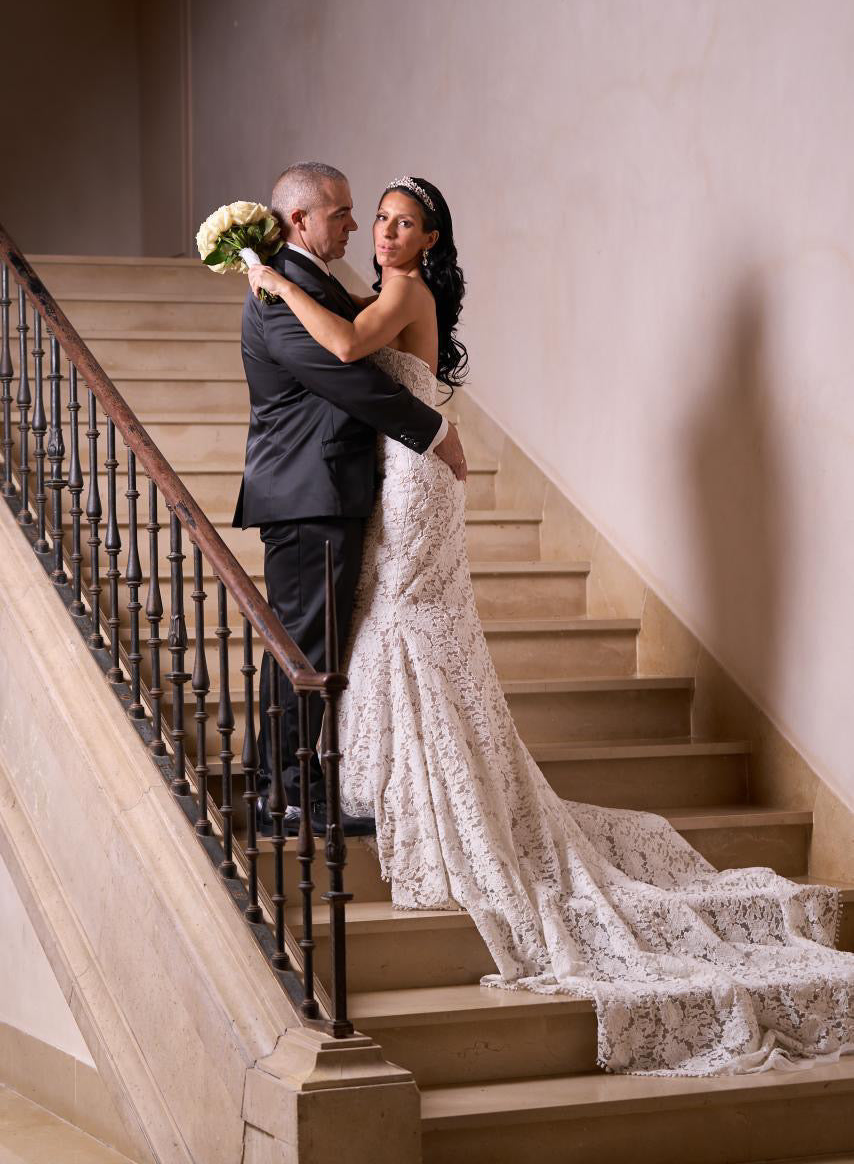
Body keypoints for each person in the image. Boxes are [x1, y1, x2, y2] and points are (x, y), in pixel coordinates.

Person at [248, 175, 854, 1077]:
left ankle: (400, 789)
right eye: (371, 217)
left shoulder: (392, 291)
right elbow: (338, 355)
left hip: (410, 476)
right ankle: (355, 781)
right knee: (377, 632)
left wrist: (271, 276)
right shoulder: (368, 285)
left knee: (400, 626)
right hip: (388, 471)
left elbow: (341, 347)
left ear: (430, 241)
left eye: (400, 223)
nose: (378, 231)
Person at [234, 162, 466, 837]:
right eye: (342, 213)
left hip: (328, 488)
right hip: (307, 493)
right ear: (301, 221)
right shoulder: (277, 292)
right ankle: (283, 796)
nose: (358, 226)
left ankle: (293, 784)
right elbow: (348, 378)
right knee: (305, 649)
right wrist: (435, 430)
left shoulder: (315, 281)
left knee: (315, 646)